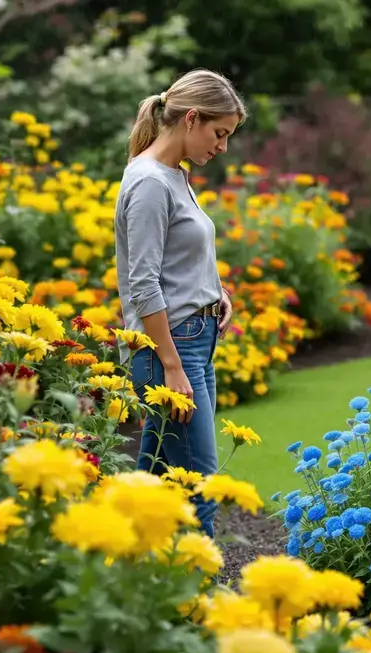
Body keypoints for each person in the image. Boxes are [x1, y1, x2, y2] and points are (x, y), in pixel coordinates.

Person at [114, 68, 247, 538]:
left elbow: (178, 260)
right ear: (191, 118)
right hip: (172, 349)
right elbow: (142, 282)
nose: (223, 146)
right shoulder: (150, 181)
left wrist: (217, 294)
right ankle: (197, 599)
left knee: (153, 482)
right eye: (219, 133)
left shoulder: (175, 175)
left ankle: (118, 570)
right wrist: (172, 366)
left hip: (194, 339)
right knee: (199, 487)